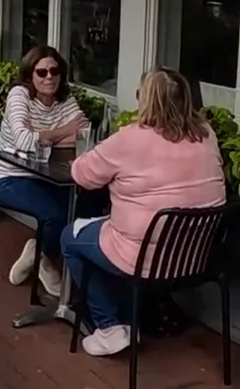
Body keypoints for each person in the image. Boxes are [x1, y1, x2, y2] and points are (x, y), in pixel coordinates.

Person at [61, 68, 226, 357]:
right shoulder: (206, 134)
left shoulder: (130, 139)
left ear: (146, 100)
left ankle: (110, 326)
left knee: (70, 238)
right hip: (196, 258)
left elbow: (83, 175)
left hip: (143, 258)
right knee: (118, 233)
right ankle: (128, 318)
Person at [0, 45, 89, 298]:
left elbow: (84, 133)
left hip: (49, 175)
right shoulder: (19, 95)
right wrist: (62, 131)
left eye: (54, 71)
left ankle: (38, 252)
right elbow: (24, 141)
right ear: (30, 76)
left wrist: (43, 136)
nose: (49, 77)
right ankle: (45, 262)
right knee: (54, 216)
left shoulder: (65, 99)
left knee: (82, 208)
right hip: (10, 176)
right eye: (42, 72)